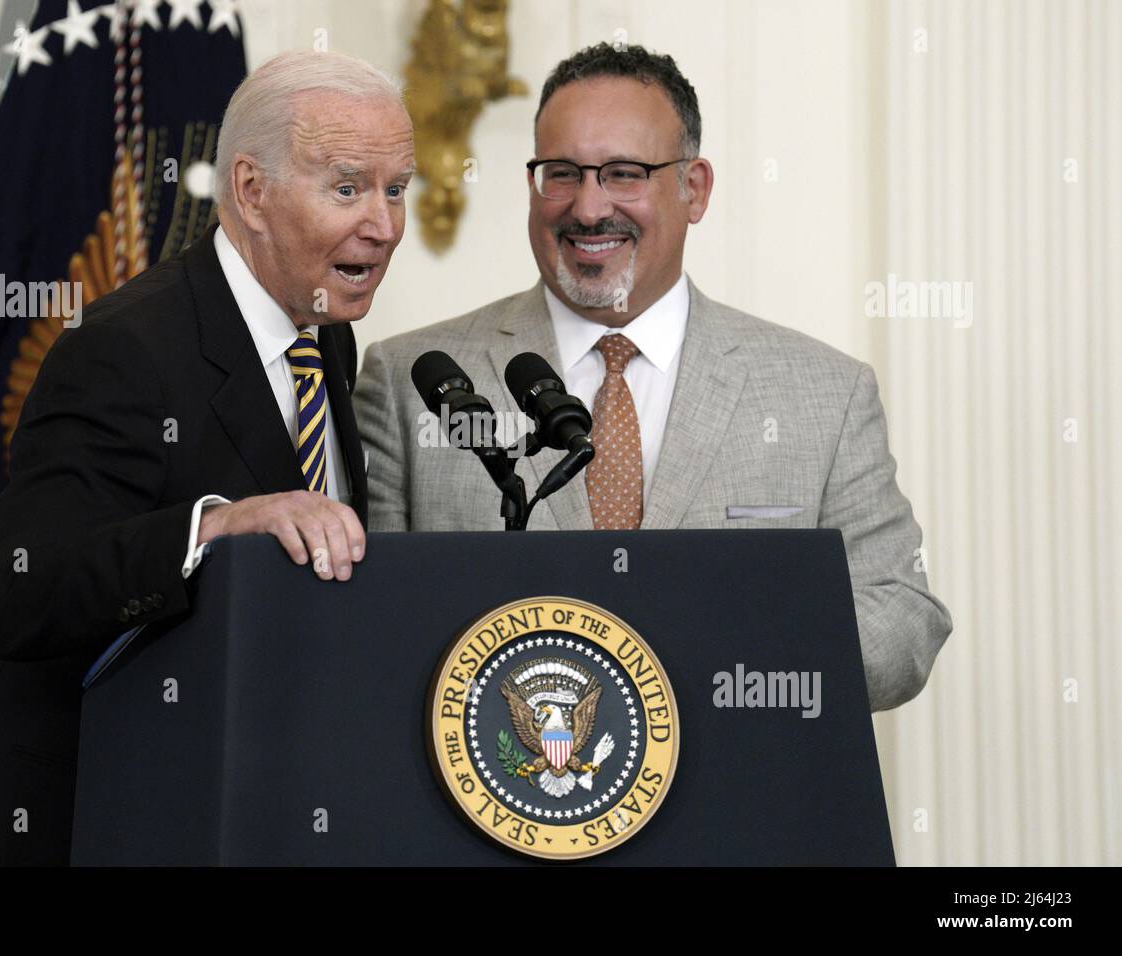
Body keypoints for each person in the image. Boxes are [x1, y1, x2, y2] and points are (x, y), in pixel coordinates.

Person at [353, 43, 950, 711]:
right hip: (498, 793)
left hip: (736, 803)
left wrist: (721, 653)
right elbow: (359, 631)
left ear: (693, 189)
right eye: (561, 174)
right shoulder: (409, 379)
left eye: (624, 173)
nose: (586, 208)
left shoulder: (823, 395)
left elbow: (905, 622)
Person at [0, 50, 414, 865]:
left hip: (238, 815)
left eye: (397, 188)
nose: (385, 224)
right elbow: (21, 591)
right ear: (252, 192)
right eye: (348, 188)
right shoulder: (123, 347)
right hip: (87, 832)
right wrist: (211, 530)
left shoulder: (324, 330)